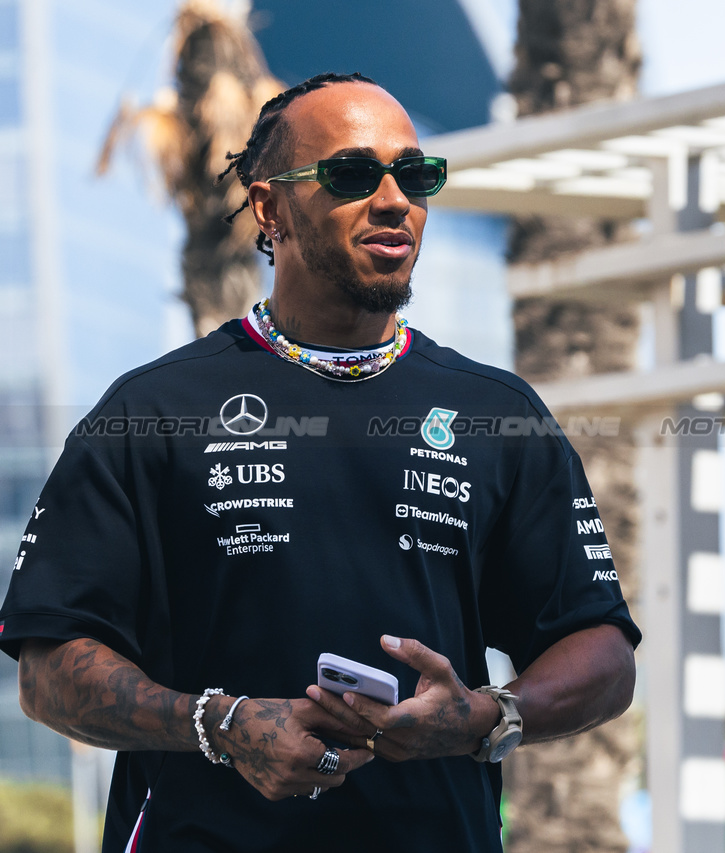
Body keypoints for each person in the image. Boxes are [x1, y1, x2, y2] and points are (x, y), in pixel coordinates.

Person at [0, 72, 640, 851]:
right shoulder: (151, 410)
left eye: (415, 174)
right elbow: (49, 668)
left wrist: (484, 716)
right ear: (270, 208)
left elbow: (600, 652)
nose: (395, 198)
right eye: (351, 174)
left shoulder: (496, 414)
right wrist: (223, 724)